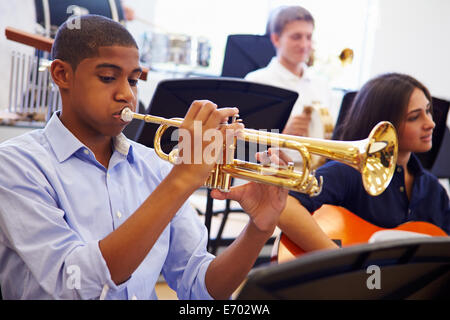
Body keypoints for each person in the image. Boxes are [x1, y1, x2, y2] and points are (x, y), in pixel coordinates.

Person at [0, 15, 288, 300]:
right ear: (62, 75)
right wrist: (182, 179)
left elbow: (200, 287)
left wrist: (258, 230)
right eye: (108, 78)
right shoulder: (17, 165)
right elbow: (73, 285)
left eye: (134, 80)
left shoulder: (153, 166)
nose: (127, 94)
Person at [277, 73, 450, 253]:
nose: (430, 123)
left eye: (428, 111)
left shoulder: (434, 190)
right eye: (414, 117)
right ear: (384, 123)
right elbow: (285, 207)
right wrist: (338, 258)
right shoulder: (347, 172)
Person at [245, 5, 334, 140]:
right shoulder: (256, 82)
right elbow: (245, 149)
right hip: (272, 161)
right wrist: (284, 133)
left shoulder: (322, 84)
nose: (304, 45)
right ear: (276, 39)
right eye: (296, 37)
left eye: (308, 37)